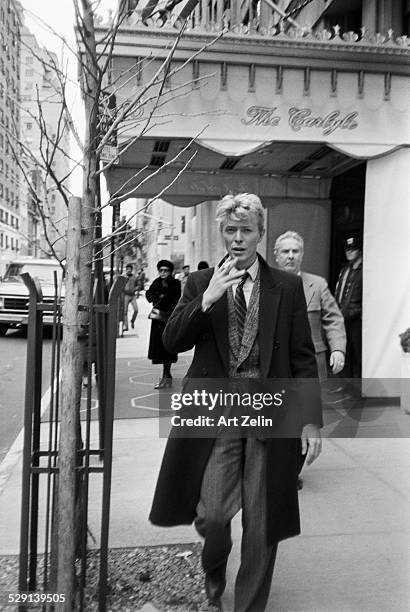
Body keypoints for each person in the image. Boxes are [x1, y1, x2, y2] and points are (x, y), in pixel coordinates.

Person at [149, 194, 322, 611]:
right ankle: (214, 568)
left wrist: (310, 422)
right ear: (222, 233)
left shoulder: (287, 285)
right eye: (230, 230)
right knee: (212, 514)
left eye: (246, 230)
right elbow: (172, 341)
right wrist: (206, 298)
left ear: (261, 233)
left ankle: (248, 605)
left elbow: (301, 356)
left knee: (263, 523)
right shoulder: (198, 282)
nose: (238, 238)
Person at [274, 231, 346, 382]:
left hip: (310, 362)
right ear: (276, 255)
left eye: (296, 251)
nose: (291, 256)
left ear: (302, 254)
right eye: (285, 251)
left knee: (310, 404)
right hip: (276, 363)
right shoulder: (265, 284)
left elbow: (333, 319)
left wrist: (338, 349)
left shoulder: (318, 284)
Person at [146, 260, 181, 389]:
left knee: (168, 347)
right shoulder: (156, 282)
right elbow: (149, 295)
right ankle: (166, 375)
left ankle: (166, 375)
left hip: (169, 320)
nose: (163, 273)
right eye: (161, 270)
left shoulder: (175, 283)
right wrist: (158, 296)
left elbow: (176, 300)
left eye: (166, 270)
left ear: (170, 272)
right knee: (159, 348)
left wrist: (163, 297)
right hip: (157, 321)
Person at [335, 236, 363, 379]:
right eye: (347, 249)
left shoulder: (365, 270)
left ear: (360, 250)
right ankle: (346, 386)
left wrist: (357, 312)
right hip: (343, 317)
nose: (349, 252)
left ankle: (358, 388)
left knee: (358, 353)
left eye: (353, 249)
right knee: (345, 352)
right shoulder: (346, 269)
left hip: (357, 319)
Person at [123, 263, 139, 331]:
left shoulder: (134, 277)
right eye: (128, 269)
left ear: (131, 270)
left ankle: (132, 321)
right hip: (125, 295)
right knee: (125, 312)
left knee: (136, 310)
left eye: (130, 269)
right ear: (126, 270)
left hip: (132, 295)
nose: (129, 270)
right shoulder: (123, 277)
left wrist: (135, 289)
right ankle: (126, 326)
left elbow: (138, 285)